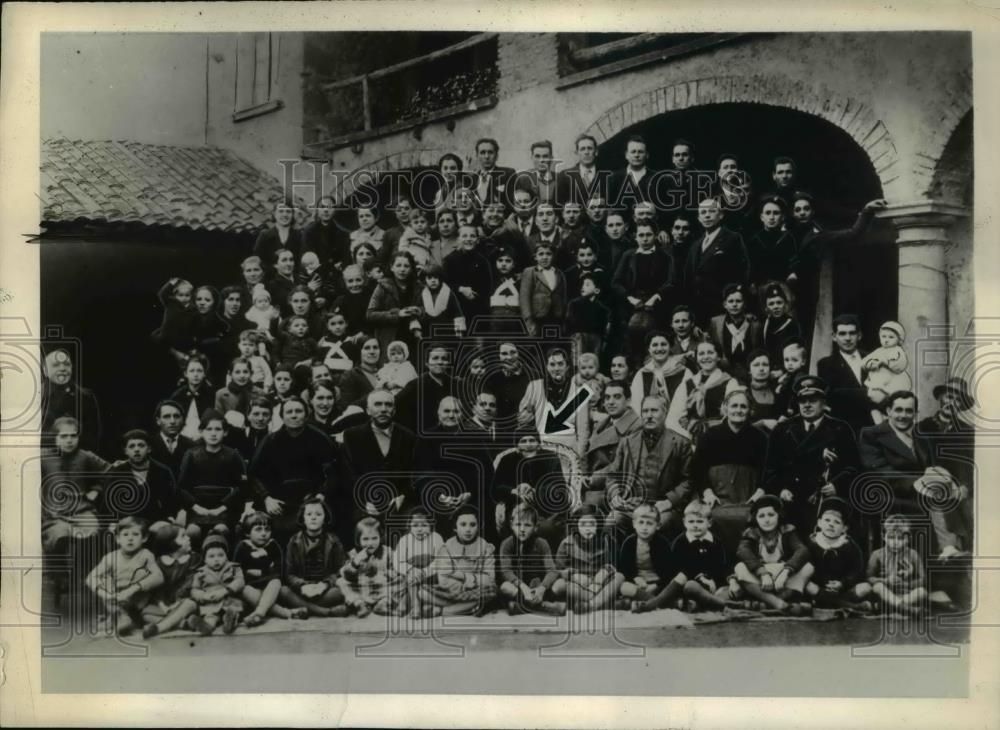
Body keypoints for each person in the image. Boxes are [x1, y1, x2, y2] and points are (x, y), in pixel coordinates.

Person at [859, 390, 970, 556]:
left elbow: (933, 464)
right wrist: (918, 483)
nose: (903, 415)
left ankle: (954, 554)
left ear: (915, 414)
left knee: (953, 495)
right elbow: (879, 471)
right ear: (888, 411)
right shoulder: (871, 434)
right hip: (891, 493)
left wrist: (947, 480)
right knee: (936, 498)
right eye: (898, 410)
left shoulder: (922, 436)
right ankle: (947, 547)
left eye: (909, 411)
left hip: (924, 491)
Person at [763, 376, 861, 538]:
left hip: (825, 498)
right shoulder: (782, 430)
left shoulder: (840, 429)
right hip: (790, 498)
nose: (807, 405)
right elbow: (770, 469)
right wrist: (780, 489)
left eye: (813, 400)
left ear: (823, 403)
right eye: (803, 401)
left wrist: (837, 485)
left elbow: (854, 467)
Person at [603, 395, 693, 539]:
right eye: (645, 411)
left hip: (662, 507)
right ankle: (617, 561)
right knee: (611, 522)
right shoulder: (627, 442)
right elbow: (613, 475)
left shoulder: (681, 444)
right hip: (631, 504)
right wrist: (615, 494)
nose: (649, 416)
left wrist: (669, 501)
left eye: (654, 411)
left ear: (665, 413)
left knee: (657, 526)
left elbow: (688, 481)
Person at [249, 397, 338, 542]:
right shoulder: (270, 441)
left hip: (311, 500)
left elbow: (333, 472)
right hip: (279, 503)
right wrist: (266, 498)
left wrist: (322, 495)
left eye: (298, 411)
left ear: (306, 414)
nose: (294, 415)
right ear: (282, 416)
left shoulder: (320, 439)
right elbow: (253, 474)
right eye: (289, 412)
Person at [694, 388, 769, 552]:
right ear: (725, 408)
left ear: (750, 411)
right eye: (734, 406)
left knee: (750, 518)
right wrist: (707, 491)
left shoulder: (760, 438)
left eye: (743, 406)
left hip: (747, 497)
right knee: (708, 518)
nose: (738, 410)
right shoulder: (709, 436)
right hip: (717, 498)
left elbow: (768, 470)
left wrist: (760, 492)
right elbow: (697, 469)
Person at [341, 390, 417, 529]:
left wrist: (403, 496)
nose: (383, 409)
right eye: (378, 404)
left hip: (398, 502)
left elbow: (412, 472)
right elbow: (349, 473)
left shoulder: (408, 436)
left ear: (394, 410)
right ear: (368, 410)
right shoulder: (353, 436)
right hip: (364, 502)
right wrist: (365, 500)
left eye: (388, 405)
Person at [41, 416, 114, 555]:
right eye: (63, 436)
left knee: (91, 531)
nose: (69, 440)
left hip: (82, 511)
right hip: (54, 514)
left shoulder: (86, 456)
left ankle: (83, 571)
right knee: (60, 536)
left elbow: (111, 472)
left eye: (73, 436)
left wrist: (96, 489)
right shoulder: (43, 457)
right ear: (54, 438)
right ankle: (60, 573)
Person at [734, 495, 813, 614]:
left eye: (771, 515)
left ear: (779, 515)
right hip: (761, 576)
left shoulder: (787, 531)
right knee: (739, 568)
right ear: (756, 519)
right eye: (761, 516)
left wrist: (786, 572)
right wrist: (762, 573)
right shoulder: (751, 533)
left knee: (808, 568)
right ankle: (778, 603)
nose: (767, 520)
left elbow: (802, 550)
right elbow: (743, 551)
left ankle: (771, 602)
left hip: (781, 575)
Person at [85, 516, 163, 636]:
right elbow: (91, 577)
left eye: (135, 534)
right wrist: (105, 594)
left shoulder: (146, 555)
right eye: (125, 535)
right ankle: (120, 617)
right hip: (116, 600)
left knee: (144, 573)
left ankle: (122, 619)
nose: (130, 539)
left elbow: (159, 577)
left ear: (144, 538)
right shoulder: (110, 557)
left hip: (138, 601)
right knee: (104, 578)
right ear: (118, 539)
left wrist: (132, 590)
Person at [490, 429, 568, 548]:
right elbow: (495, 489)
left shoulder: (550, 458)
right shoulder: (507, 460)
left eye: (532, 440)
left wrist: (534, 491)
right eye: (523, 441)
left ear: (538, 444)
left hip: (546, 511)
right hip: (516, 509)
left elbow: (558, 486)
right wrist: (514, 491)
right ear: (517, 446)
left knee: (546, 529)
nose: (528, 444)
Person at [176, 409, 248, 536]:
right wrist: (197, 508)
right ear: (201, 432)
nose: (213, 433)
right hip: (198, 508)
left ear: (225, 432)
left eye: (218, 429)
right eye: (209, 429)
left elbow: (242, 487)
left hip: (225, 509)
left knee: (221, 530)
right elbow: (182, 487)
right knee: (193, 532)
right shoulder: (192, 454)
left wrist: (222, 508)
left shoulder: (233, 455)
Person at [417, 506, 497, 617]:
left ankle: (443, 611)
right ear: (455, 528)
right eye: (463, 525)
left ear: (478, 527)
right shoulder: (447, 547)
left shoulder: (485, 547)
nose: (468, 529)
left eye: (472, 525)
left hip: (475, 590)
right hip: (451, 591)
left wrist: (465, 578)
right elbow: (443, 576)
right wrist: (460, 588)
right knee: (422, 592)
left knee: (491, 590)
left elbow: (489, 578)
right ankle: (465, 609)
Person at [233, 511, 309, 626]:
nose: (264, 534)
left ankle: (259, 612)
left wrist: (261, 572)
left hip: (271, 588)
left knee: (276, 581)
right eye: (258, 529)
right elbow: (237, 569)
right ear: (248, 533)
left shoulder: (273, 546)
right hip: (251, 587)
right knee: (244, 589)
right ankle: (288, 613)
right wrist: (263, 570)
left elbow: (279, 570)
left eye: (267, 529)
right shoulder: (243, 546)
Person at [682, 196, 750, 325]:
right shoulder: (696, 244)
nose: (707, 216)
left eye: (712, 211)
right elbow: (688, 276)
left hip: (720, 304)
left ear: (721, 215)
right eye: (703, 213)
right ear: (698, 218)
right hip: (697, 306)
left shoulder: (732, 239)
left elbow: (742, 270)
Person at [281, 494, 349, 617]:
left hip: (325, 589)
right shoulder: (294, 541)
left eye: (318, 514)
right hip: (302, 590)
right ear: (303, 518)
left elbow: (341, 570)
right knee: (283, 591)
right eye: (309, 514)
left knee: (343, 590)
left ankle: (305, 607)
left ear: (325, 518)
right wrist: (303, 586)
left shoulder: (333, 541)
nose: (313, 518)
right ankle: (326, 612)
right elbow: (289, 574)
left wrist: (324, 585)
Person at [614, 220, 675, 356]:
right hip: (632, 306)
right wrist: (630, 298)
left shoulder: (665, 256)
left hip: (656, 306)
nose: (645, 239)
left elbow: (670, 282)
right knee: (632, 342)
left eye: (648, 234)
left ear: (655, 236)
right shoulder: (628, 255)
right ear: (636, 237)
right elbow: (616, 282)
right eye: (641, 235)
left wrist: (655, 297)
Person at [804, 497, 872, 611]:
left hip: (843, 588)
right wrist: (823, 584)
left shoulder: (850, 546)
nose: (831, 525)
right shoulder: (812, 543)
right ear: (819, 523)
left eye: (837, 522)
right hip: (819, 588)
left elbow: (856, 570)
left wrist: (842, 583)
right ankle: (852, 606)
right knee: (807, 585)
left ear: (844, 528)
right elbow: (807, 566)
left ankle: (825, 603)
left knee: (865, 588)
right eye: (827, 520)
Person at [552, 504, 622, 613]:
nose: (588, 528)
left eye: (592, 524)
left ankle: (592, 605)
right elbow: (558, 570)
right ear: (576, 525)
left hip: (600, 582)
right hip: (579, 584)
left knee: (619, 577)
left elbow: (615, 564)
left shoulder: (607, 541)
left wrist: (604, 573)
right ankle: (606, 602)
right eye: (583, 524)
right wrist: (574, 576)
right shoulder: (567, 544)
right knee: (558, 586)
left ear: (598, 525)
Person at [498, 504, 565, 616]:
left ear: (535, 527)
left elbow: (552, 570)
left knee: (561, 584)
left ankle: (520, 607)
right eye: (518, 524)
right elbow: (506, 571)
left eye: (527, 525)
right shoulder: (507, 544)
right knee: (505, 587)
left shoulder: (542, 543)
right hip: (520, 588)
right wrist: (523, 587)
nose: (522, 529)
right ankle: (545, 606)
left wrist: (542, 588)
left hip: (539, 587)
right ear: (511, 525)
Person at [104, 429, 181, 527]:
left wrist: (169, 517)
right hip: (126, 523)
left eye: (141, 445)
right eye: (131, 446)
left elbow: (171, 500)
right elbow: (109, 504)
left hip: (154, 521)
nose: (136, 449)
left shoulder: (162, 471)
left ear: (149, 448)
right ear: (125, 451)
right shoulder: (116, 473)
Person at [583, 380, 641, 508]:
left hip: (618, 489)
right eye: (607, 397)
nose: (611, 402)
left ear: (628, 400)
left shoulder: (636, 427)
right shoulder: (602, 424)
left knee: (586, 508)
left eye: (617, 397)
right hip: (593, 484)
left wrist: (593, 479)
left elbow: (623, 465)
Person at [669, 500, 734, 612]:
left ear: (709, 523)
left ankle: (708, 603)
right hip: (692, 582)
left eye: (699, 521)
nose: (695, 525)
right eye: (691, 522)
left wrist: (718, 580)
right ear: (684, 522)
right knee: (690, 587)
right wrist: (701, 579)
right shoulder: (680, 542)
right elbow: (679, 568)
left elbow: (723, 564)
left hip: (714, 585)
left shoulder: (716, 542)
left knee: (727, 591)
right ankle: (718, 604)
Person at [817, 313, 874, 436]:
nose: (847, 338)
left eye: (852, 333)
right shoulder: (825, 364)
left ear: (859, 335)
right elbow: (833, 395)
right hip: (844, 429)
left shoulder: (872, 358)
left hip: (873, 426)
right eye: (842, 333)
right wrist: (868, 393)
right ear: (834, 336)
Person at [140, 521, 200, 638]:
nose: (188, 538)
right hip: (166, 605)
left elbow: (189, 583)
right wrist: (163, 606)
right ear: (171, 544)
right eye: (183, 536)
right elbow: (157, 589)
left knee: (189, 604)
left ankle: (158, 628)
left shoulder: (194, 558)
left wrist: (178, 602)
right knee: (146, 613)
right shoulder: (159, 562)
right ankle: (183, 624)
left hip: (185, 601)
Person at [338, 517, 405, 617]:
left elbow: (396, 570)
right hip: (362, 588)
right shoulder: (354, 554)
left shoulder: (387, 552)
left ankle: (383, 604)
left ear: (380, 538)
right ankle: (360, 605)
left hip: (383, 588)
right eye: (365, 539)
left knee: (403, 580)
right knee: (341, 582)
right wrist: (356, 563)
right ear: (358, 540)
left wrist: (389, 573)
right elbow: (345, 574)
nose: (370, 543)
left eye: (374, 538)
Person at [666, 340, 733, 440]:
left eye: (710, 352)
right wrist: (688, 438)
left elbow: (733, 416)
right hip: (691, 439)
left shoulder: (729, 382)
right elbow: (672, 419)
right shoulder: (688, 384)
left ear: (718, 357)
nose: (706, 357)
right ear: (696, 358)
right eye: (701, 354)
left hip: (719, 438)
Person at [41, 348, 103, 454]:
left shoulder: (86, 396)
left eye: (67, 364)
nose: (63, 368)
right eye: (56, 365)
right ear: (45, 370)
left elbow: (92, 436)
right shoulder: (36, 396)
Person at [616, 504, 676, 613]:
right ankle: (661, 602)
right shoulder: (629, 543)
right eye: (641, 522)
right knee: (624, 587)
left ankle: (643, 601)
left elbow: (669, 572)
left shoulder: (662, 543)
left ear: (658, 525)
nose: (644, 527)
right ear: (634, 524)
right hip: (637, 584)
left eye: (649, 523)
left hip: (657, 583)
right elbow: (624, 568)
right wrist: (635, 578)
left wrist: (656, 585)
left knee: (673, 585)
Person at [394, 346, 464, 435]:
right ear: (427, 363)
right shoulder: (415, 385)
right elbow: (396, 407)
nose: (440, 362)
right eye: (435, 358)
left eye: (444, 358)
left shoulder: (456, 384)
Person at [867, 514, 928, 615]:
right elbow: (869, 577)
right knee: (878, 587)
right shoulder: (877, 554)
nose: (895, 542)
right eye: (891, 538)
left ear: (908, 539)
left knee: (922, 592)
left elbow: (923, 579)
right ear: (884, 537)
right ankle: (904, 608)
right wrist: (886, 581)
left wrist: (907, 584)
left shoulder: (913, 554)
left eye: (900, 538)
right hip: (886, 593)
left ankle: (893, 606)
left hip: (906, 593)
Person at [188, 530, 245, 635]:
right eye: (211, 556)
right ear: (204, 559)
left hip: (229, 598)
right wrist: (204, 596)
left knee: (233, 610)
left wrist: (226, 590)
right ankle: (206, 626)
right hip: (211, 601)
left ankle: (230, 621)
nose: (216, 559)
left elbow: (240, 581)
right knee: (211, 616)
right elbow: (194, 589)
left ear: (226, 556)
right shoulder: (201, 572)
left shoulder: (233, 567)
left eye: (220, 555)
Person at [367, 251, 423, 357]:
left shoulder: (419, 287)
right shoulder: (383, 286)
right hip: (390, 336)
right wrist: (397, 314)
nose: (402, 269)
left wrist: (419, 311)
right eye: (398, 265)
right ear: (391, 267)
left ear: (411, 268)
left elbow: (427, 310)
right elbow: (370, 314)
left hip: (413, 336)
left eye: (406, 266)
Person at [394, 508, 445, 618]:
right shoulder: (405, 540)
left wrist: (424, 572)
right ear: (409, 526)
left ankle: (427, 603)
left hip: (431, 576)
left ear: (431, 525)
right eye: (415, 526)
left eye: (424, 525)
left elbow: (440, 560)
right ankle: (415, 605)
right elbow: (397, 561)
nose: (420, 529)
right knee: (410, 579)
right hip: (412, 577)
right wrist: (411, 569)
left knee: (430, 609)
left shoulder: (436, 538)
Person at [862, 321, 912, 423]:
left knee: (891, 404)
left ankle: (889, 421)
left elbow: (900, 364)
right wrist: (870, 363)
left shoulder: (897, 351)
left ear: (899, 340)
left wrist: (884, 362)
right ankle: (878, 422)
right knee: (873, 403)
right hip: (877, 383)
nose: (886, 340)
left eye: (891, 337)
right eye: (884, 336)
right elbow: (864, 361)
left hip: (892, 382)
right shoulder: (878, 351)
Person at [745, 196, 799, 291]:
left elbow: (793, 262)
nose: (772, 217)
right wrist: (751, 282)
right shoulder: (755, 240)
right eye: (768, 213)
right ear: (762, 217)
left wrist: (792, 275)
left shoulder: (788, 238)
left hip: (784, 286)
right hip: (760, 287)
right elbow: (750, 266)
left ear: (782, 217)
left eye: (776, 213)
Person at [707, 283, 761, 378]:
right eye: (731, 301)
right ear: (725, 304)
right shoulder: (716, 322)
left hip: (748, 372)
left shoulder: (754, 324)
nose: (734, 305)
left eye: (738, 301)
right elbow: (708, 343)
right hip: (723, 372)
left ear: (744, 304)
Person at [519, 241, 567, 338]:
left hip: (556, 317)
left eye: (548, 254)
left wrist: (563, 317)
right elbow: (524, 297)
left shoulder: (559, 273)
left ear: (553, 256)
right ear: (535, 257)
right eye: (541, 254)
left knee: (553, 344)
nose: (545, 257)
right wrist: (529, 320)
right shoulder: (530, 272)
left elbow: (564, 296)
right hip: (538, 318)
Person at [151, 278, 197, 370]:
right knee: (156, 339)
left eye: (187, 295)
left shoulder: (192, 309)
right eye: (181, 295)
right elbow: (162, 294)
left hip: (181, 338)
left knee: (183, 357)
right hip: (166, 335)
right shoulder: (171, 303)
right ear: (175, 295)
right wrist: (171, 283)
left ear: (191, 296)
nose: (184, 298)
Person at [169, 351, 215, 441]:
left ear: (204, 373)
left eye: (199, 371)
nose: (195, 374)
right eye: (192, 370)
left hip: (204, 437)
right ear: (186, 374)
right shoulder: (178, 395)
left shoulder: (211, 395)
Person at [566, 272, 611, 358]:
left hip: (596, 339)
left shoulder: (603, 309)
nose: (583, 287)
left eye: (587, 285)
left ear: (597, 290)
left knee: (594, 360)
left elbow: (605, 329)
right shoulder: (574, 304)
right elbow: (569, 323)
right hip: (579, 338)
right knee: (578, 360)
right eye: (582, 284)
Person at [148, 400, 195, 480]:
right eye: (166, 416)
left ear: (183, 419)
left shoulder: (192, 446)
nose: (172, 421)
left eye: (176, 416)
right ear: (158, 421)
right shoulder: (149, 445)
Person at [759, 282, 802, 368]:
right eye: (771, 304)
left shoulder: (792, 324)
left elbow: (796, 352)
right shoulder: (764, 325)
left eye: (779, 302)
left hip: (788, 368)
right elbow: (760, 350)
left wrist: (782, 370)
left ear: (785, 304)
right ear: (766, 308)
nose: (776, 306)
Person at [609, 135, 656, 212]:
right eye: (633, 152)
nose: (637, 155)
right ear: (626, 155)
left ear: (647, 155)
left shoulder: (656, 178)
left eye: (640, 152)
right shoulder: (614, 178)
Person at [303, 195, 351, 270]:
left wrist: (342, 264)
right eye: (322, 207)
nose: (326, 210)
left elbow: (346, 259)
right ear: (317, 210)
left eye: (330, 207)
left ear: (335, 210)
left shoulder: (343, 234)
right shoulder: (309, 232)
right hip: (316, 275)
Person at [254, 200, 304, 270]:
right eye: (281, 211)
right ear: (274, 214)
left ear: (292, 214)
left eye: (288, 211)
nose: (285, 215)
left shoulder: (299, 235)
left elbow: (302, 260)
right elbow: (259, 259)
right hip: (271, 277)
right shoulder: (265, 235)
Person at [512, 140, 563, 206]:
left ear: (551, 158)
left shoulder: (560, 179)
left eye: (545, 156)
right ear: (532, 157)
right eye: (537, 156)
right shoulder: (521, 179)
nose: (541, 160)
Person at [470, 137, 515, 209]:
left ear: (496, 156)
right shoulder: (472, 179)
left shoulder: (507, 174)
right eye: (482, 152)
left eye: (490, 152)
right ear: (477, 156)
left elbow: (512, 203)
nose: (487, 156)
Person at [338, 336, 382, 409]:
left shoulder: (386, 373)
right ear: (359, 351)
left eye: (375, 347)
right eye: (367, 348)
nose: (372, 352)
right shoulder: (350, 376)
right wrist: (376, 392)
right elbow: (347, 408)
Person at [562, 133, 602, 207]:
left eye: (590, 148)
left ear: (596, 151)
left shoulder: (607, 175)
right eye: (582, 149)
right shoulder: (565, 176)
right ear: (577, 153)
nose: (586, 152)